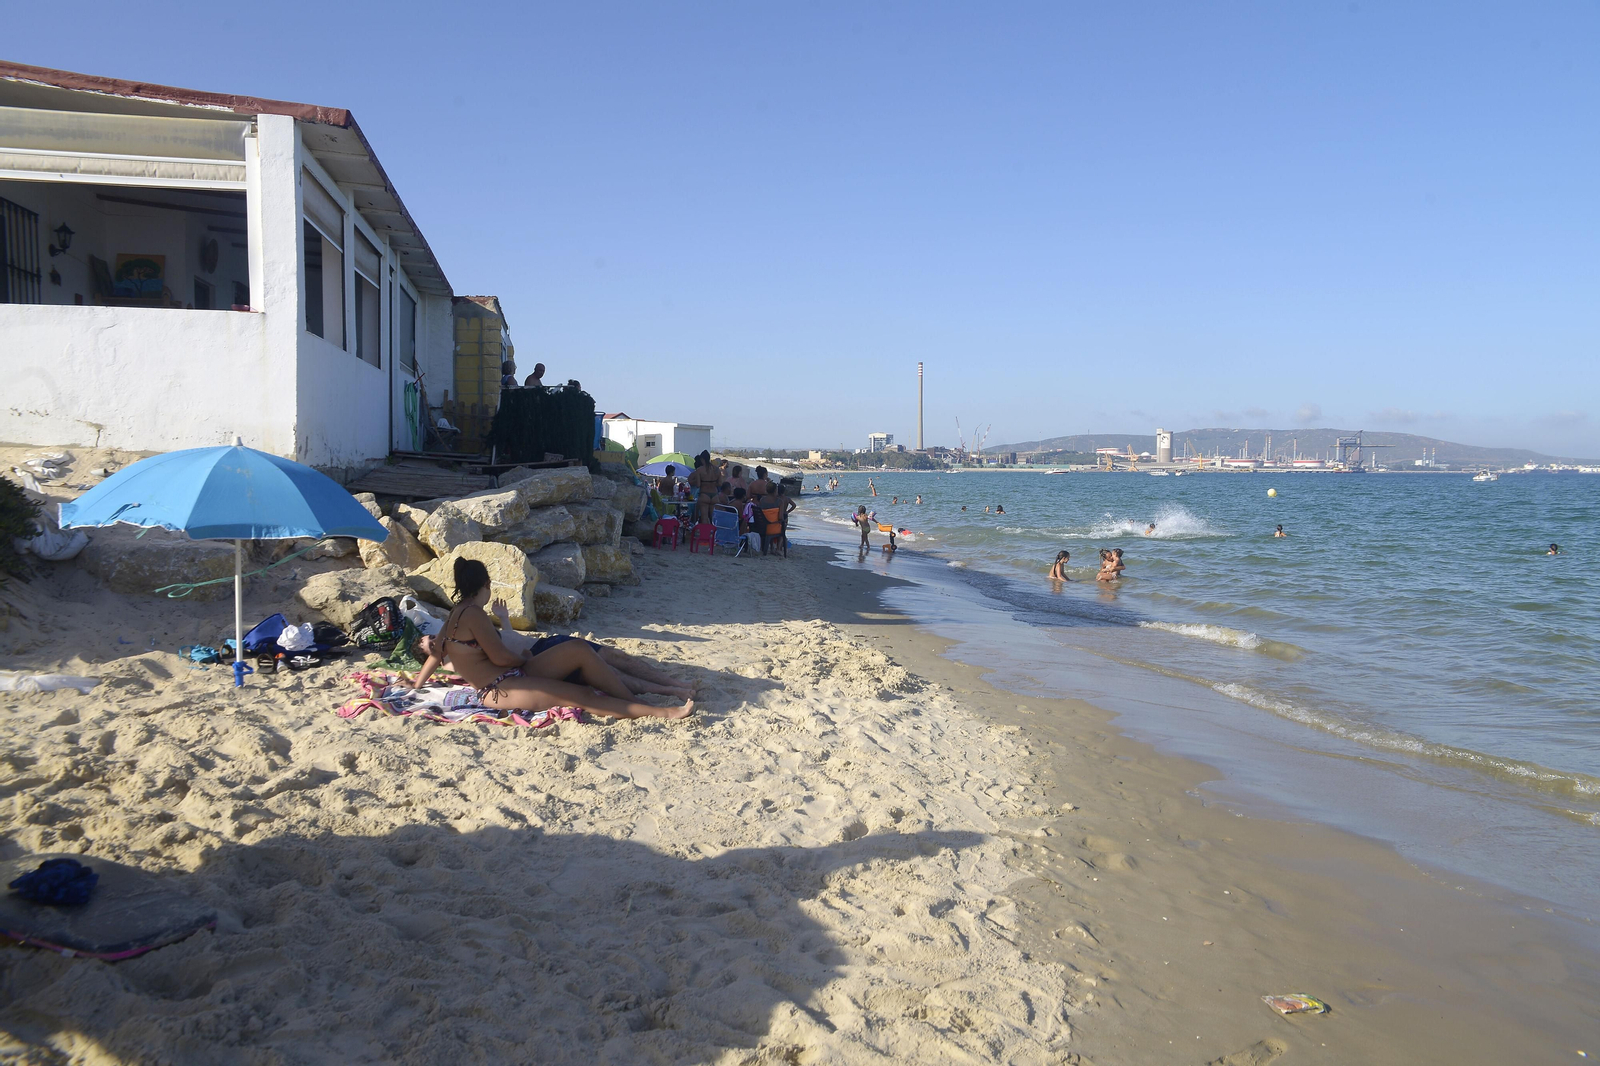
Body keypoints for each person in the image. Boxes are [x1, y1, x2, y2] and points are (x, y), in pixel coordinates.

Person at [409, 558, 691, 719]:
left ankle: (632, 702)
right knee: (581, 695)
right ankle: (660, 713)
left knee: (579, 649)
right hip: (499, 687)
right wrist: (524, 658)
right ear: (485, 586)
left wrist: (416, 685)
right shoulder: (473, 614)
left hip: (510, 674)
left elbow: (435, 655)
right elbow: (500, 657)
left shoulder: (454, 616)